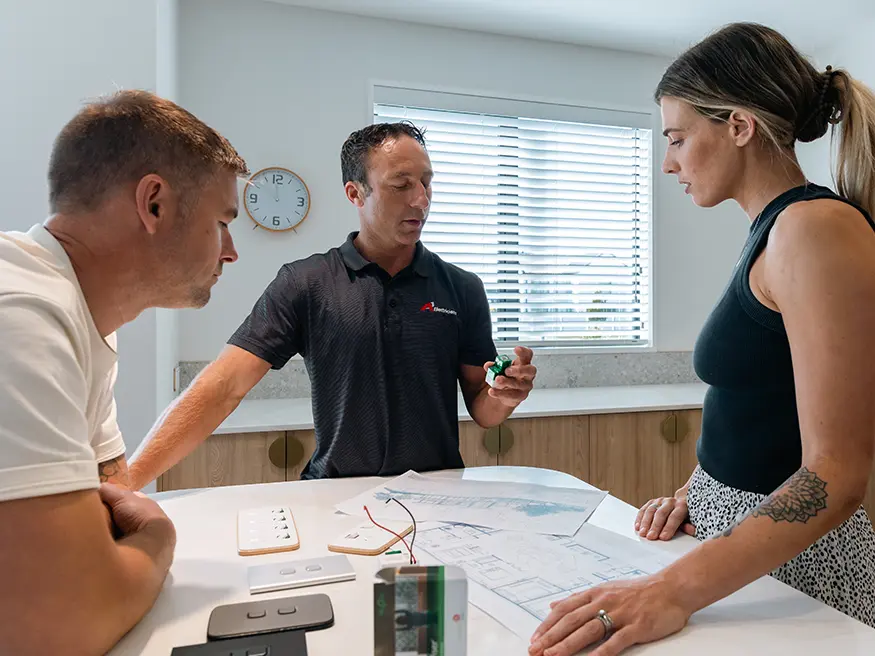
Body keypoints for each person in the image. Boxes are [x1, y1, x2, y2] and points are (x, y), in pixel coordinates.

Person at [529, 22, 875, 656]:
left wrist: (669, 591)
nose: (669, 162)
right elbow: (762, 407)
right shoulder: (772, 231)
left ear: (738, 126)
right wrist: (700, 490)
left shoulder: (815, 230)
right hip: (733, 543)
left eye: (679, 138)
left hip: (800, 567)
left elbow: (836, 474)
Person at [128, 122, 537, 487]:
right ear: (355, 193)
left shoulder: (462, 288)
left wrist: (503, 396)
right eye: (401, 185)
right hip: (333, 493)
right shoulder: (306, 283)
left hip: (438, 493)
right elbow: (223, 385)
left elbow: (482, 410)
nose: (421, 200)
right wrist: (125, 483)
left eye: (427, 183)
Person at [0, 90, 248, 654]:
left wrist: (114, 551)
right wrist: (161, 535)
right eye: (221, 223)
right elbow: (70, 618)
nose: (230, 252)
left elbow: (111, 499)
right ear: (154, 204)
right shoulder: (19, 315)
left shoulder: (88, 319)